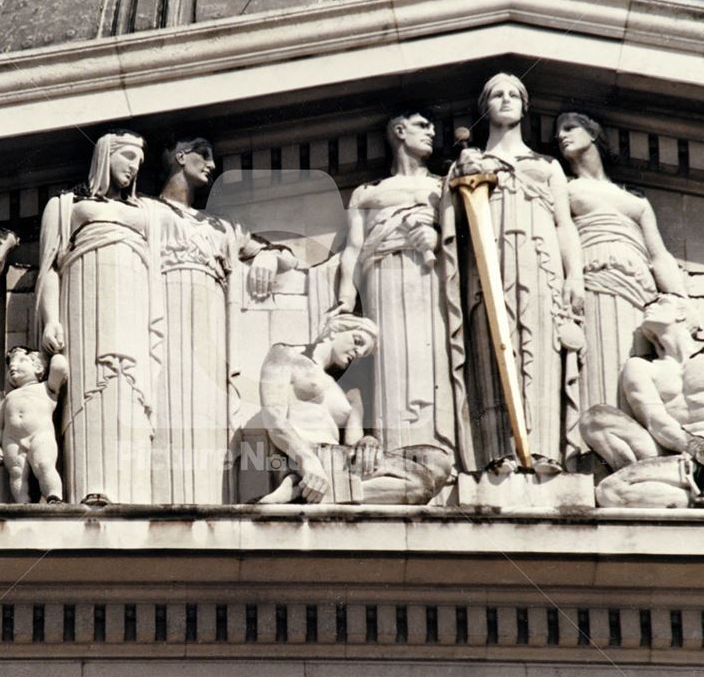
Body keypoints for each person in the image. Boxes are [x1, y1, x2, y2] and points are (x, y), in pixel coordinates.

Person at [149, 138, 297, 503]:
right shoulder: (145, 212)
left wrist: (266, 258)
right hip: (161, 335)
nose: (212, 165)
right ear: (181, 157)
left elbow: (287, 256)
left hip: (209, 341)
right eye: (205, 155)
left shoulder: (220, 227)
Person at [454, 73, 585, 471]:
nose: (506, 99)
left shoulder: (546, 167)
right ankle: (498, 451)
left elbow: (565, 224)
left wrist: (574, 275)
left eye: (514, 94)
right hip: (486, 264)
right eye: (497, 94)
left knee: (540, 345)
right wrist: (457, 179)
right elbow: (453, 225)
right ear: (485, 107)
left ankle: (542, 447)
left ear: (525, 107)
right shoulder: (472, 162)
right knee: (488, 341)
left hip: (539, 264)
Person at [35, 130, 163, 505]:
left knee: (131, 391)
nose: (134, 167)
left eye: (139, 161)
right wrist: (50, 320)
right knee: (91, 392)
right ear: (105, 155)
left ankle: (134, 495)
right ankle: (90, 486)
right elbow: (49, 269)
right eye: (127, 157)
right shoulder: (65, 205)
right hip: (85, 307)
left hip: (133, 308)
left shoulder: (146, 213)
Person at [334, 110, 466, 471]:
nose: (432, 132)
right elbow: (353, 249)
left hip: (432, 278)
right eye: (423, 126)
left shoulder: (443, 187)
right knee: (390, 356)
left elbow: (469, 248)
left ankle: (439, 449)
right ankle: (395, 453)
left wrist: (439, 238)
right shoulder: (367, 193)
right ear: (398, 130)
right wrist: (345, 298)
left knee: (432, 355)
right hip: (383, 278)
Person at [556, 112, 687, 413]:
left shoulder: (637, 201)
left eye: (569, 128)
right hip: (595, 278)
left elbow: (659, 256)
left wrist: (682, 299)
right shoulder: (566, 187)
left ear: (593, 134)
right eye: (558, 133)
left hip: (639, 290)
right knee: (602, 357)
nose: (562, 136)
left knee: (634, 360)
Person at [579, 295, 704, 509]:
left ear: (682, 313)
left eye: (661, 302)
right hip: (667, 452)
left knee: (610, 491)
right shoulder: (641, 367)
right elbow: (655, 420)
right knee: (594, 419)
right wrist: (695, 446)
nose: (649, 305)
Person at [257, 314, 452, 504]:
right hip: (306, 454)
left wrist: (368, 441)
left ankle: (304, 492)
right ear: (335, 329)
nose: (358, 353)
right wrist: (308, 460)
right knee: (420, 485)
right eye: (357, 341)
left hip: (340, 460)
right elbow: (274, 418)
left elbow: (355, 444)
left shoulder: (350, 393)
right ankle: (311, 488)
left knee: (438, 462)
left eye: (363, 353)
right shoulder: (286, 354)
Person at [0, 347, 66, 504]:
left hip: (40, 435)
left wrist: (56, 353)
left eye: (21, 361)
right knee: (17, 472)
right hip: (12, 439)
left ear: (38, 367)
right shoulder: (8, 397)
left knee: (44, 464)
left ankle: (54, 496)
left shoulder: (46, 388)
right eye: (11, 364)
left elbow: (60, 368)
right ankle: (22, 503)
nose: (13, 366)